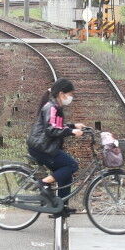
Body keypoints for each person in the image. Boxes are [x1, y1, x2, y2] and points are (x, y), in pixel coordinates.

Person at [26, 78, 87, 215]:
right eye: (70, 94)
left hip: (45, 147)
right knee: (72, 165)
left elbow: (57, 125)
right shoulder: (51, 107)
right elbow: (51, 129)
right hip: (42, 148)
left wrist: (73, 126)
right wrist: (71, 131)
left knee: (66, 174)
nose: (71, 98)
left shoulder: (56, 107)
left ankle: (61, 207)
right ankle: (44, 183)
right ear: (61, 94)